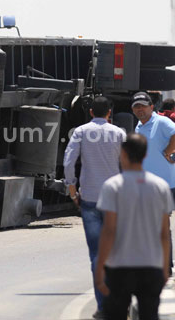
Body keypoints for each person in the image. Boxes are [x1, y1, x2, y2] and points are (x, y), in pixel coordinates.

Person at [94, 133, 173, 320]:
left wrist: (99, 267)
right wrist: (164, 269)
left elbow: (109, 231)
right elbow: (164, 233)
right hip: (151, 266)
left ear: (122, 153)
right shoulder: (160, 186)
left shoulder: (112, 186)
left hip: (120, 267)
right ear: (145, 155)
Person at [64, 96, 127, 319]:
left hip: (89, 199)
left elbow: (69, 161)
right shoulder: (119, 133)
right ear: (109, 112)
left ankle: (103, 307)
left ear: (90, 112)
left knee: (96, 255)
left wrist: (73, 192)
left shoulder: (80, 132)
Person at [131, 92, 175, 190]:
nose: (140, 109)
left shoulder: (160, 121)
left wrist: (167, 152)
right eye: (136, 106)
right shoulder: (138, 126)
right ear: (132, 110)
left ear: (151, 107)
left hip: (163, 183)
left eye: (143, 106)